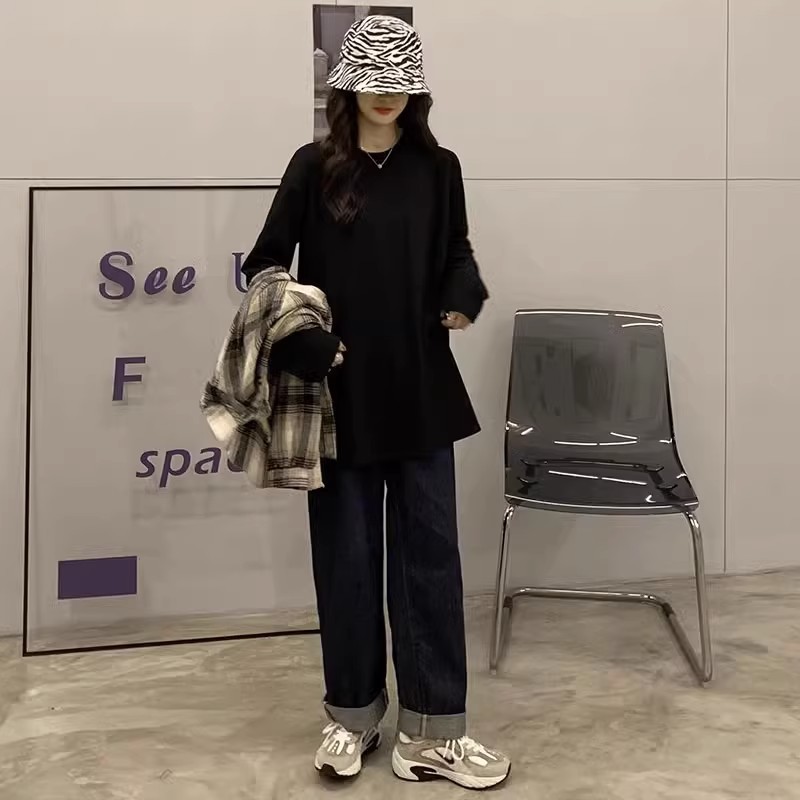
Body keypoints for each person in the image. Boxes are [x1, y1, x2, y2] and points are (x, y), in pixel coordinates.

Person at [241, 15, 511, 791]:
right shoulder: (313, 166)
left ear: (416, 88)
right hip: (339, 397)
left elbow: (457, 250)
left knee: (430, 562)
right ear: (348, 85)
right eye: (373, 80)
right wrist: (300, 340)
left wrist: (463, 292)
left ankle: (432, 732)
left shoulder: (439, 167)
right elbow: (265, 267)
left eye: (400, 81)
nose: (386, 94)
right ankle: (353, 716)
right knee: (347, 562)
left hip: (421, 390)